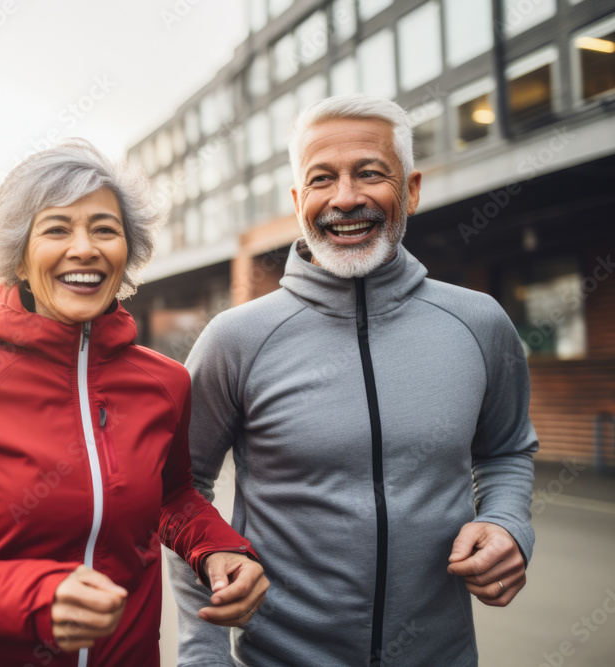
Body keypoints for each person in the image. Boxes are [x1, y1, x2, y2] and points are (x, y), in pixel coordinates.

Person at [0, 138, 269, 666]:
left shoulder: (165, 382)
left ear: (127, 252)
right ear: (18, 254)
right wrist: (29, 600)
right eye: (57, 228)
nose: (84, 247)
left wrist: (218, 546)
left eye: (104, 229)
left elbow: (169, 496)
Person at [168, 94, 538, 666]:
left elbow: (507, 449)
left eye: (370, 173)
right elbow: (180, 489)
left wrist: (507, 523)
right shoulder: (235, 338)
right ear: (298, 201)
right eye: (322, 179)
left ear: (411, 190)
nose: (345, 198)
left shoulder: (480, 323)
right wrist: (204, 656)